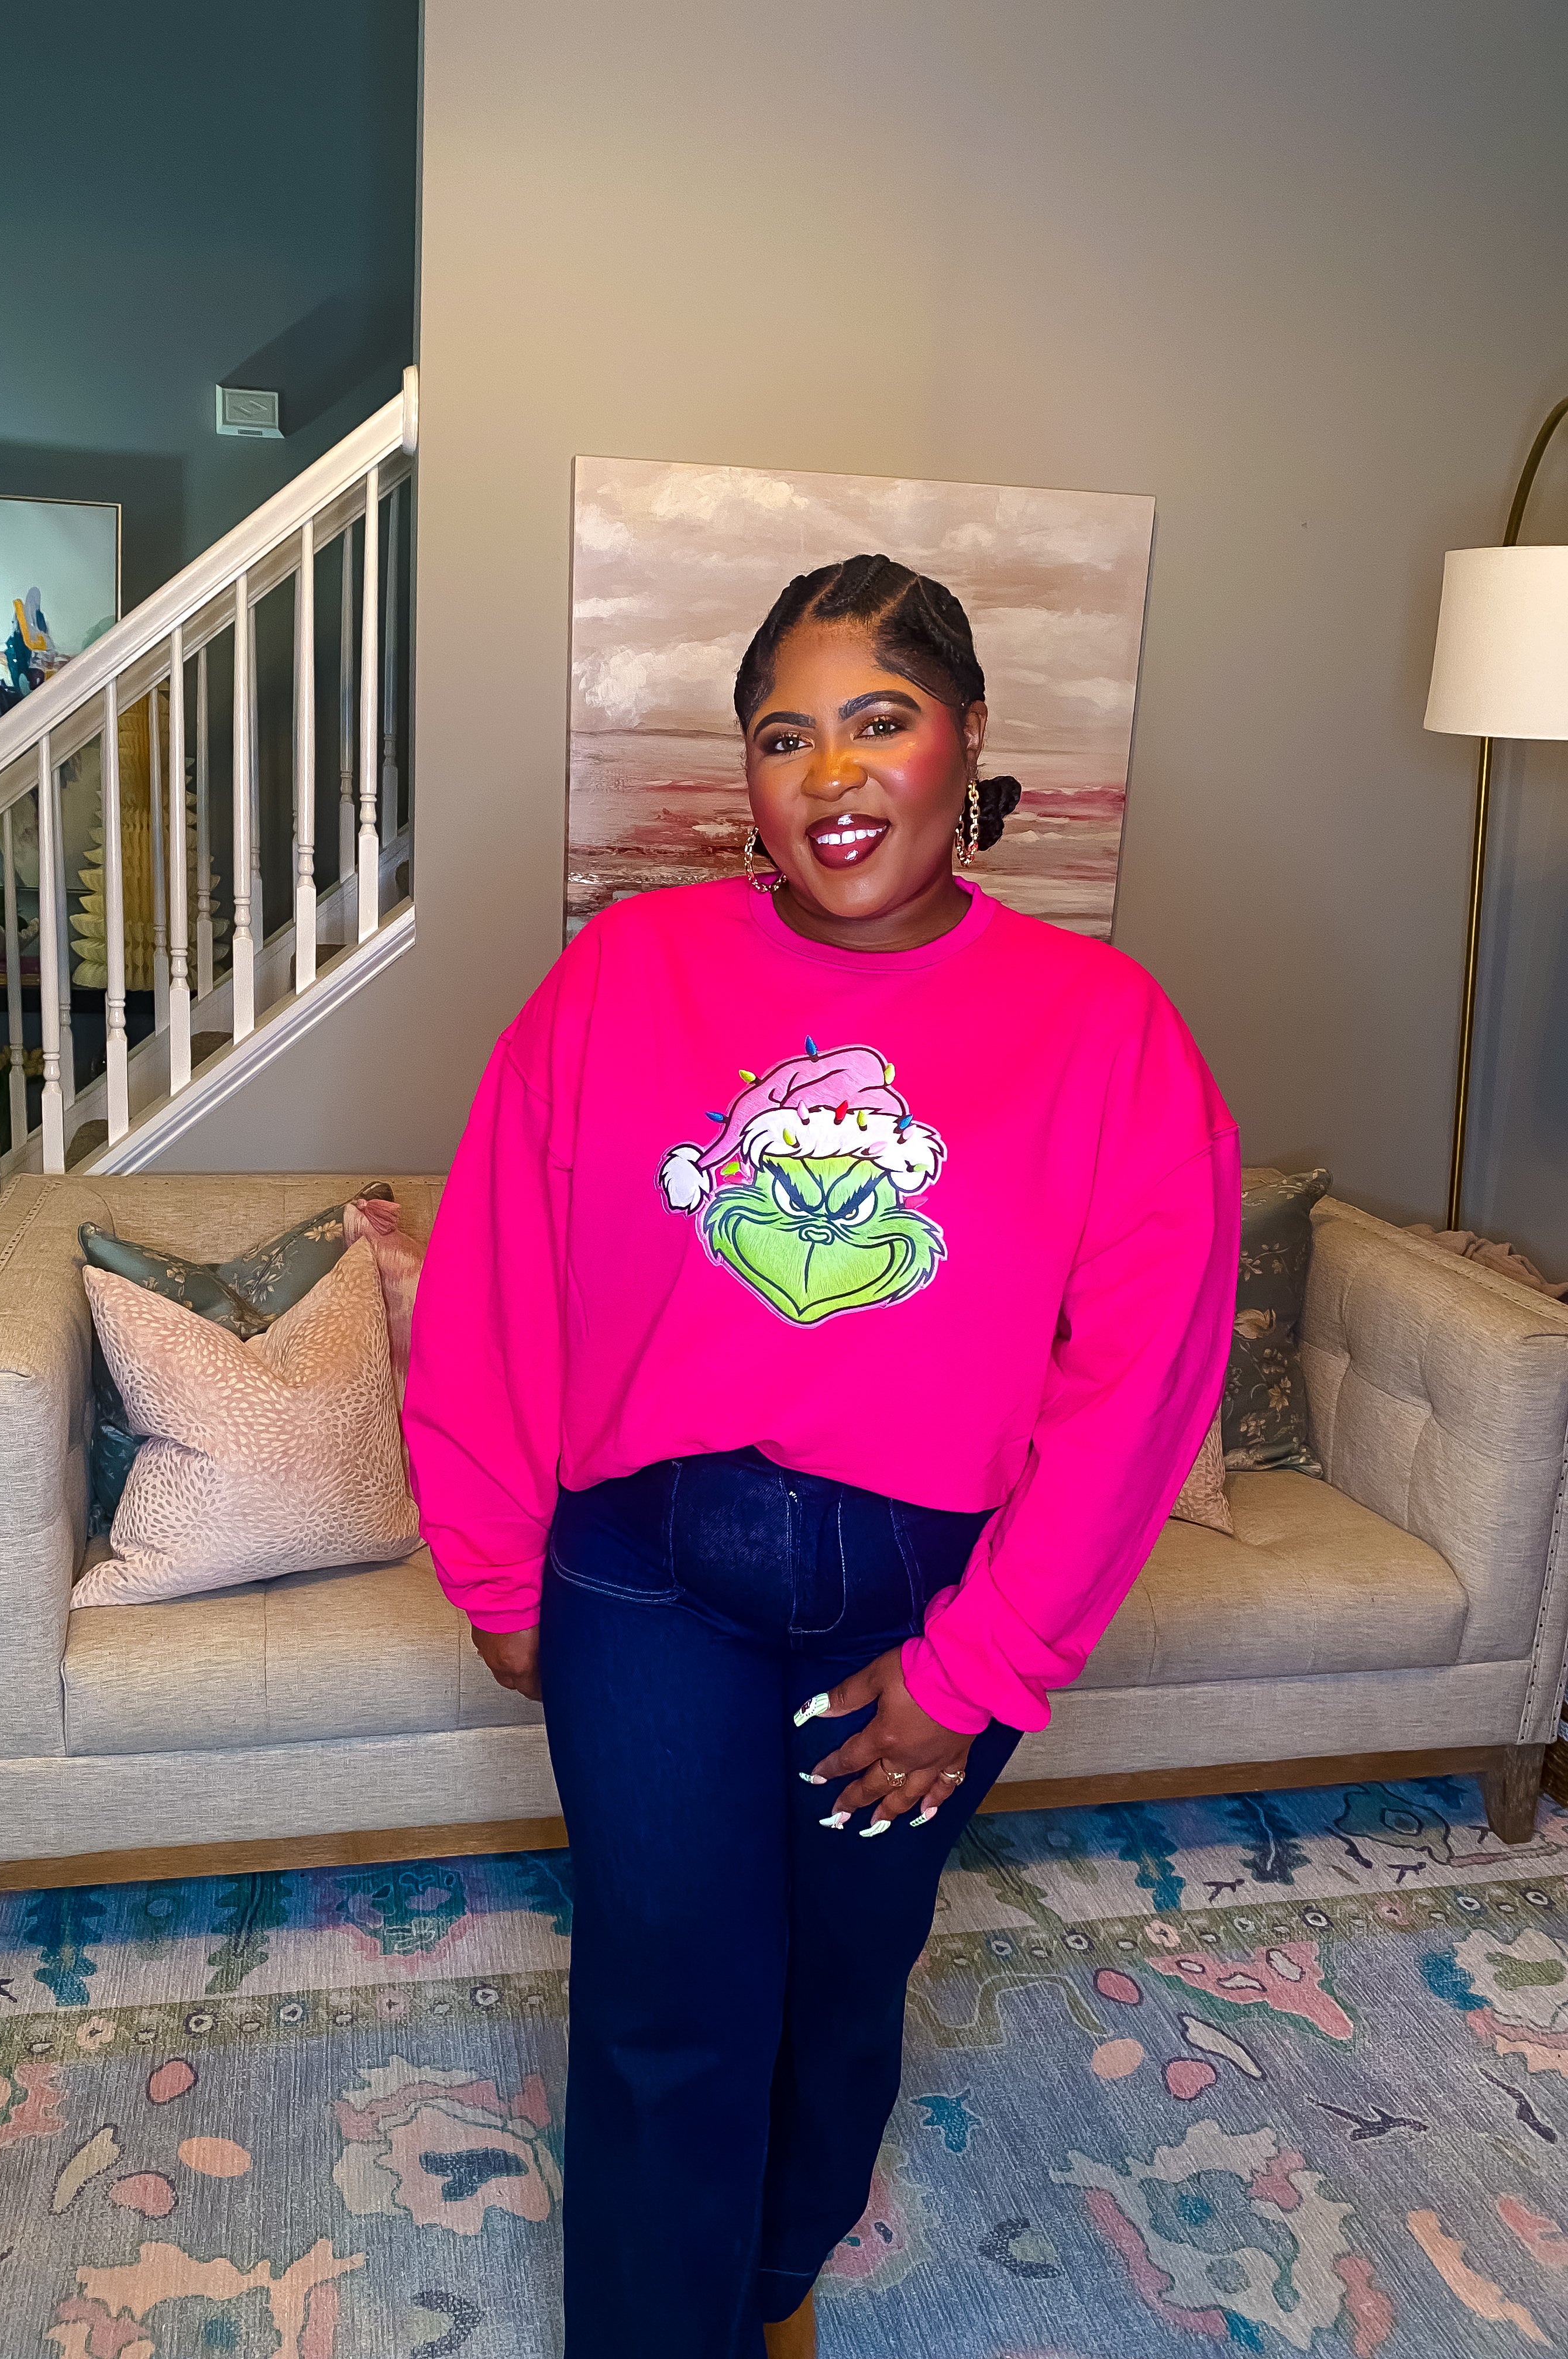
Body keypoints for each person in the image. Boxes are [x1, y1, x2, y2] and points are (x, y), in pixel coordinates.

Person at [404, 554, 1240, 2359]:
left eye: (881, 720)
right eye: (786, 738)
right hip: (643, 1581)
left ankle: (771, 2283)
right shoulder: (626, 976)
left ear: (969, 737)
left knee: (845, 1991)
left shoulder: (1107, 1031)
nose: (834, 776)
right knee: (667, 2005)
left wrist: (976, 1667)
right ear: (751, 779)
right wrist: (490, 1557)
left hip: (924, 1604)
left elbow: (1139, 1389)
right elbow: (497, 1276)